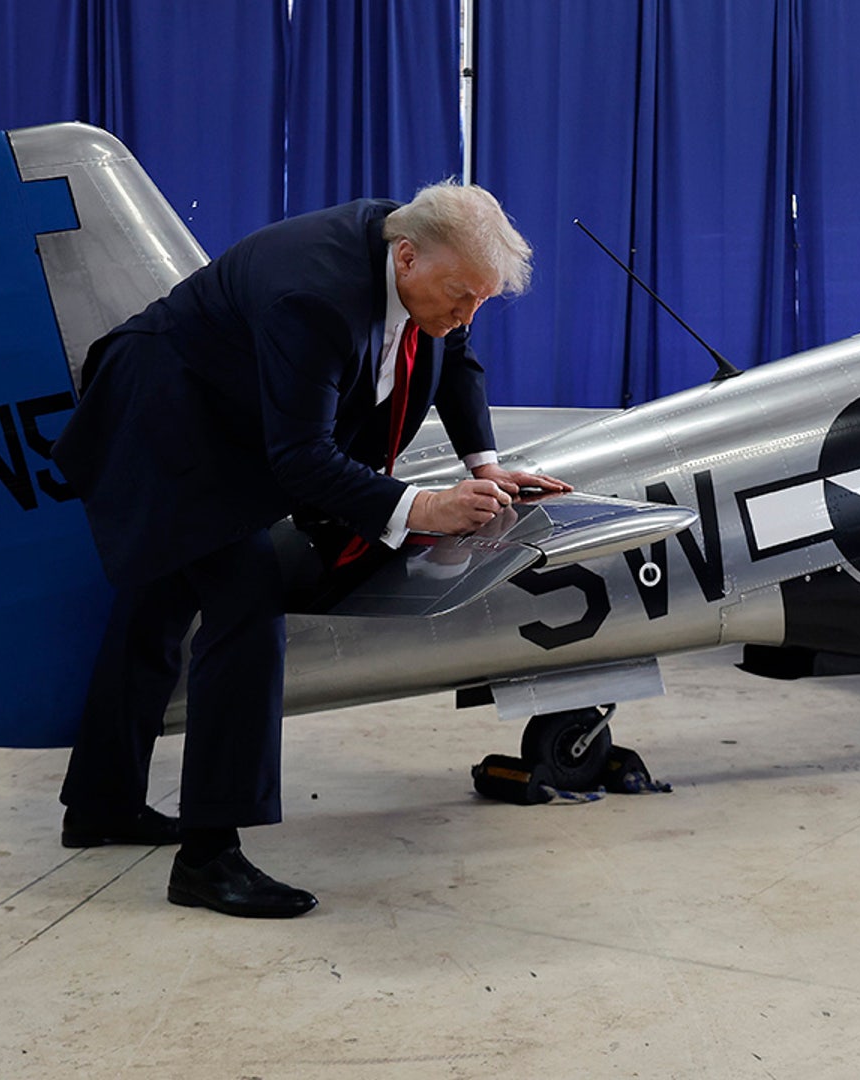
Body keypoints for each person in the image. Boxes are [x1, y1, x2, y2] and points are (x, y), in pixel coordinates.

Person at [50, 181, 569, 918]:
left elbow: (453, 358)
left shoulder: (430, 267)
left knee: (157, 608)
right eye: (462, 295)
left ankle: (101, 805)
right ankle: (209, 858)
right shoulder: (316, 295)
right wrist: (425, 506)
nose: (467, 315)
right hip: (166, 419)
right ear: (408, 257)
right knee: (246, 603)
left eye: (481, 300)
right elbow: (299, 458)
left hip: (223, 418)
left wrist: (485, 469)